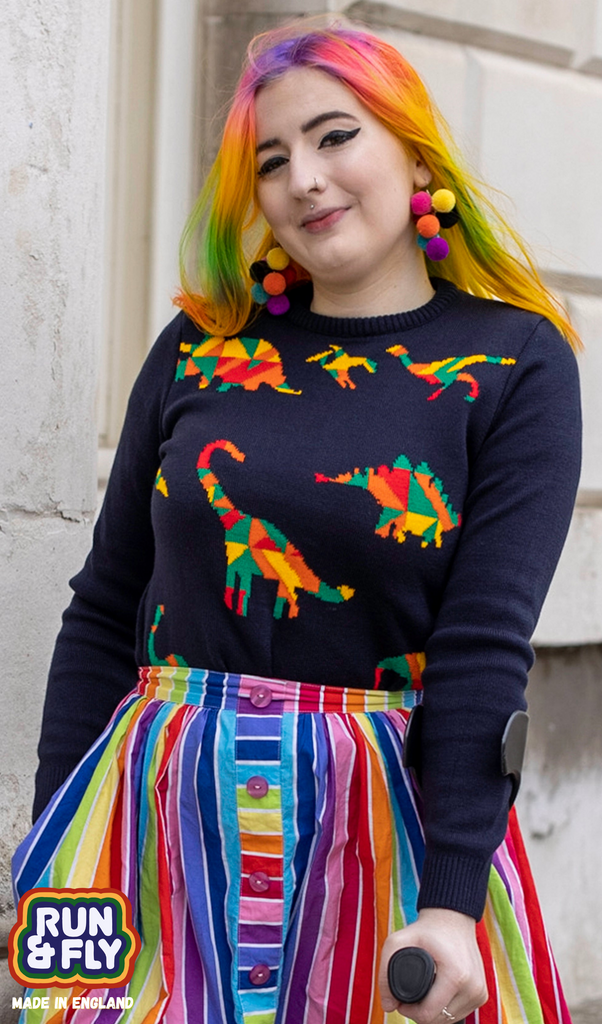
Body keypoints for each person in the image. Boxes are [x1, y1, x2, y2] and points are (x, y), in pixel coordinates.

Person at [13, 19, 581, 1024]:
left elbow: (481, 644)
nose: (303, 180)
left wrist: (450, 897)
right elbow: (104, 606)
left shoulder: (513, 363)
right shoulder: (200, 346)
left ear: (413, 153)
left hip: (379, 829)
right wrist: (52, 841)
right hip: (153, 827)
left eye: (333, 136)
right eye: (270, 160)